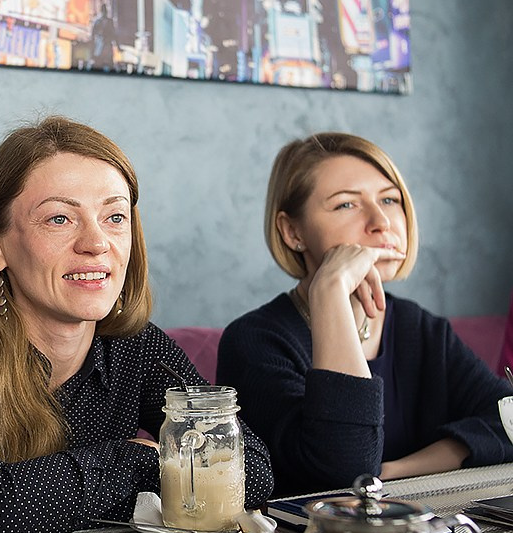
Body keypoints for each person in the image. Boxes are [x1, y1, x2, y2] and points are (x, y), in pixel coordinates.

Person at [0, 115, 273, 533]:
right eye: (59, 219)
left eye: (115, 217)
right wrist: (143, 457)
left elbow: (252, 470)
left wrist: (27, 510)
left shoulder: (138, 346)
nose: (96, 242)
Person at [217, 132, 513, 497]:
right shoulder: (253, 341)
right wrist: (330, 290)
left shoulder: (419, 328)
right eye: (346, 205)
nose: (382, 222)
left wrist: (397, 471)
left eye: (390, 199)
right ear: (293, 231)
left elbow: (507, 420)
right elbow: (342, 469)